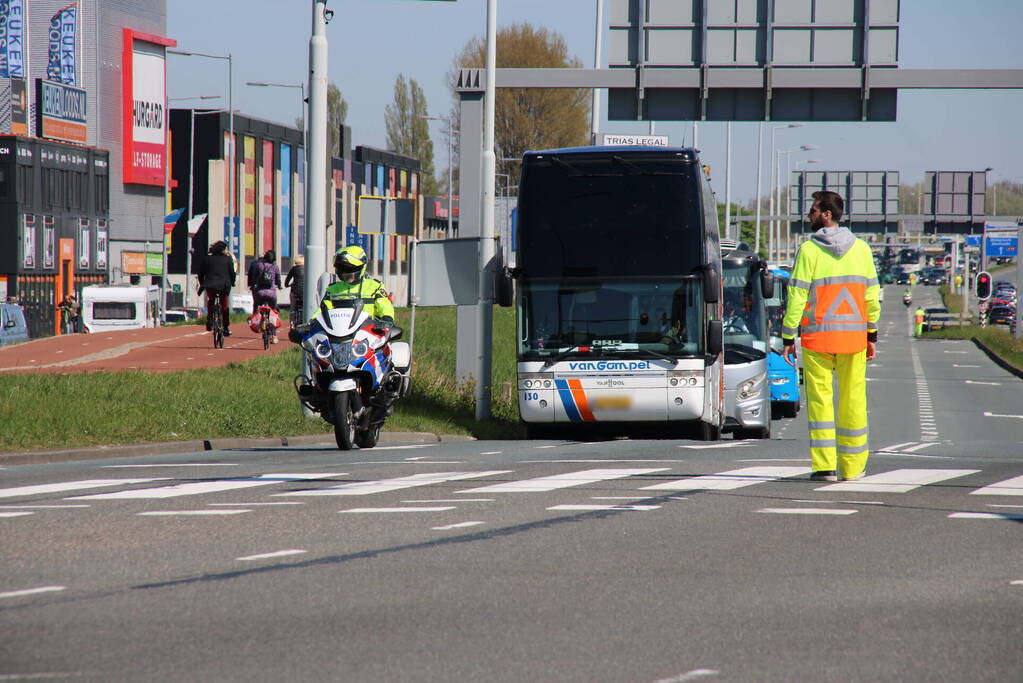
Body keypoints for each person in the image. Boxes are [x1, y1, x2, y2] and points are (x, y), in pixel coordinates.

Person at [781, 190, 880, 483]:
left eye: (813, 210)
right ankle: (852, 468)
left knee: (820, 402)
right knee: (853, 400)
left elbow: (797, 296)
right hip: (853, 339)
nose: (808, 215)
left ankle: (824, 467)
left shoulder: (809, 251)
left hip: (818, 340)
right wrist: (870, 334)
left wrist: (788, 336)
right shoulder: (861, 249)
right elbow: (872, 297)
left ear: (826, 214)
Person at [319, 245, 394, 324]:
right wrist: (312, 321)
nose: (345, 273)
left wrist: (387, 317)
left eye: (350, 269)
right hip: (337, 330)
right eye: (342, 269)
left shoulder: (374, 286)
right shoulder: (333, 289)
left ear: (361, 267)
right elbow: (322, 309)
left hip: (367, 329)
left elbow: (384, 305)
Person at [197, 240, 236, 337]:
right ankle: (226, 327)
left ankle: (210, 320)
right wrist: (233, 282)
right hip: (224, 286)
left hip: (210, 285)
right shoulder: (227, 259)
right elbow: (232, 273)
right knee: (224, 306)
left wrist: (202, 284)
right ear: (222, 250)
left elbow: (201, 274)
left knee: (211, 301)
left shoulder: (206, 259)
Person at [248, 250, 282, 343]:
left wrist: (252, 285)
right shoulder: (275, 266)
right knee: (274, 311)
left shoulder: (259, 265)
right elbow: (278, 278)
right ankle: (274, 335)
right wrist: (279, 286)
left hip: (259, 292)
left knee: (256, 305)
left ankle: (256, 321)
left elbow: (253, 278)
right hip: (271, 294)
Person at [284, 254, 305, 324]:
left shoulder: (293, 269)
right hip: (304, 292)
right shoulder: (307, 269)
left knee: (292, 308)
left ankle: (292, 322)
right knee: (305, 307)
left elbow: (287, 280)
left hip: (294, 291)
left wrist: (287, 285)